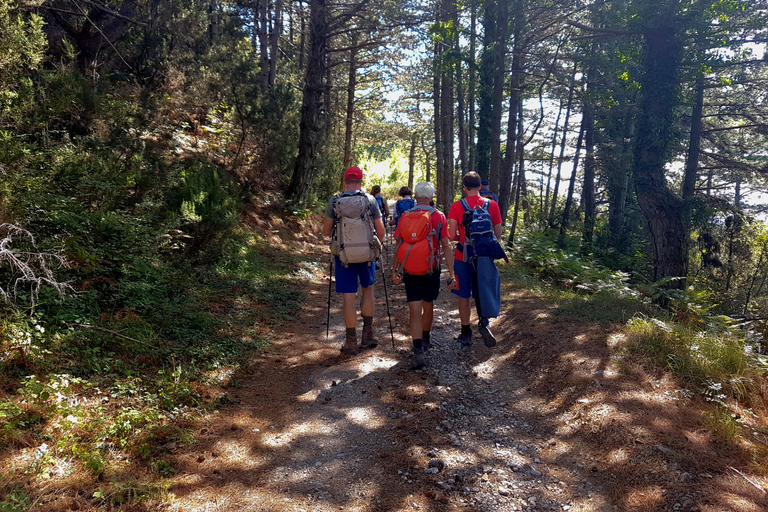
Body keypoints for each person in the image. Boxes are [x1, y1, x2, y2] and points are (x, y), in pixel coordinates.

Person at [391, 182, 456, 369]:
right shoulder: (439, 216)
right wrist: (452, 273)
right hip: (431, 268)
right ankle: (425, 338)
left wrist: (395, 270)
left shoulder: (405, 215)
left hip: (410, 268)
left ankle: (417, 348)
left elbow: (398, 244)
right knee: (428, 305)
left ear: (416, 196)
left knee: (414, 309)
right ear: (431, 197)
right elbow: (446, 245)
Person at [323, 167, 386, 355]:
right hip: (367, 255)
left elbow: (326, 232)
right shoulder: (370, 200)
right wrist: (374, 247)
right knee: (368, 290)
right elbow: (381, 231)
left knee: (349, 296)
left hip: (344, 256)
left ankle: (351, 341)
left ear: (345, 181)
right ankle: (368, 335)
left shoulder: (335, 201)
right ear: (361, 181)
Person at [448, 172, 503, 348]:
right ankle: (483, 322)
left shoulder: (457, 206)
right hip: (484, 256)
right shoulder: (492, 204)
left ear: (464, 188)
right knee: (484, 289)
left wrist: (463, 238)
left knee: (463, 295)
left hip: (463, 256)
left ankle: (466, 333)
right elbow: (498, 234)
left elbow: (451, 235)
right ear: (480, 186)